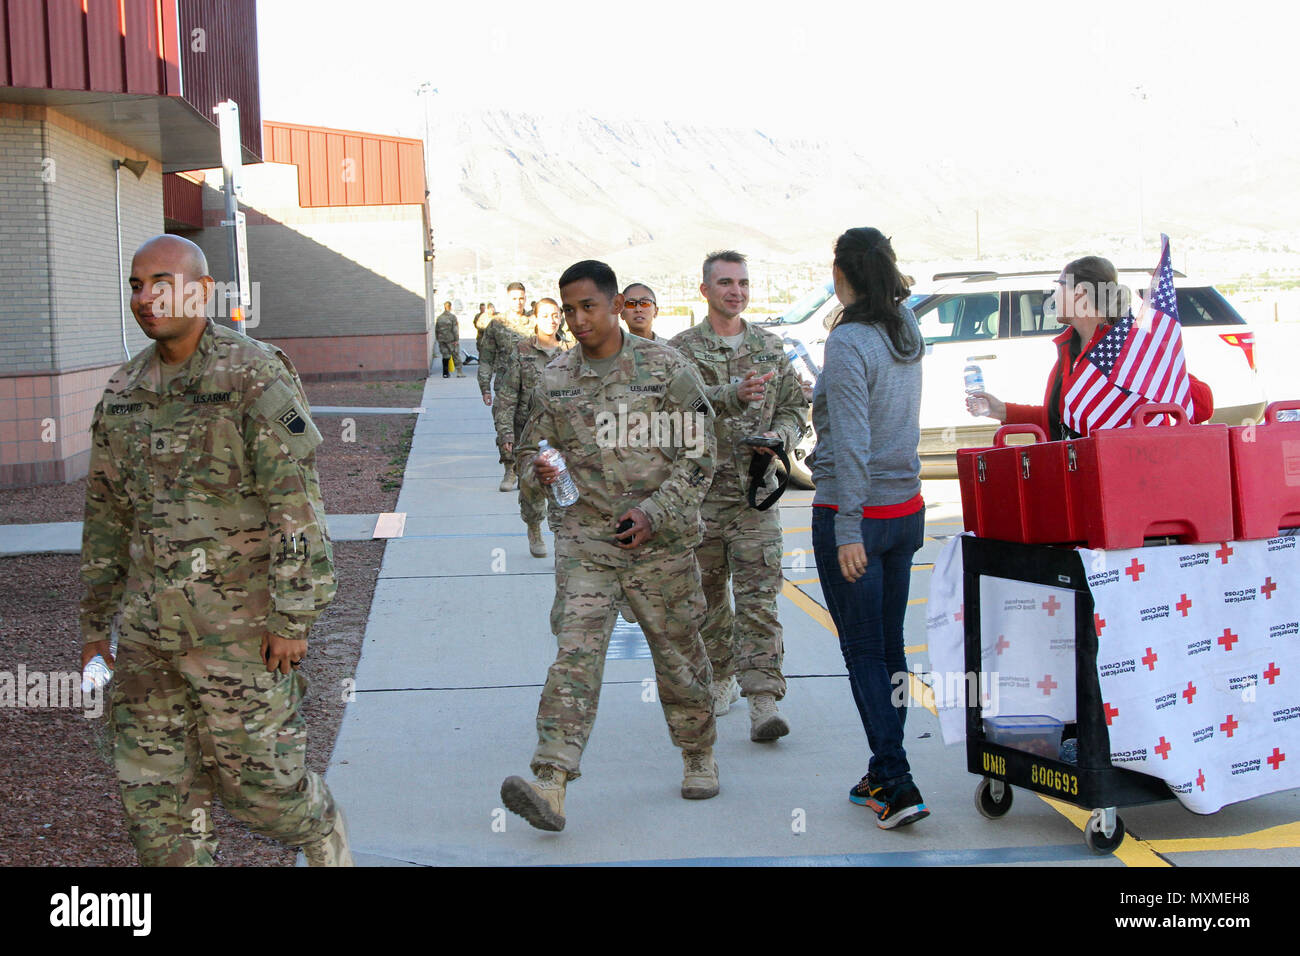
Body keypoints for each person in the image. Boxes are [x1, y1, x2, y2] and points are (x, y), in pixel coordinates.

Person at [79, 234, 352, 865]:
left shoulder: (253, 375)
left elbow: (297, 506)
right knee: (156, 804)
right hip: (151, 635)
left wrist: (293, 618)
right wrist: (96, 624)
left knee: (261, 792)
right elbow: (106, 519)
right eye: (136, 284)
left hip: (242, 632)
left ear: (201, 293)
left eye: (161, 284)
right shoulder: (123, 392)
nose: (145, 298)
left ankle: (320, 830)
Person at [500, 260, 719, 831]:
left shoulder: (666, 368)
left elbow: (701, 456)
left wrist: (654, 512)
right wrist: (540, 472)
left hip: (660, 543)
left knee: (677, 655)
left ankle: (697, 751)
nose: (576, 320)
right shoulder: (555, 378)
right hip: (587, 542)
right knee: (575, 654)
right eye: (568, 310)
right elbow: (527, 454)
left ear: (617, 304)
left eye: (587, 307)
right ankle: (551, 779)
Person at [807, 226, 930, 829]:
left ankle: (899, 781)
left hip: (854, 515)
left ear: (842, 274)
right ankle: (884, 772)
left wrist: (848, 527)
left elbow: (854, 441)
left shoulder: (850, 339)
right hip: (905, 511)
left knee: (863, 654)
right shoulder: (906, 329)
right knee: (889, 647)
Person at [669, 251, 808, 736]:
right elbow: (670, 419)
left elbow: (795, 408)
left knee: (759, 601)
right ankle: (721, 677)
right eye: (726, 282)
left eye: (744, 283)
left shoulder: (771, 348)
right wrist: (731, 395)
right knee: (705, 603)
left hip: (754, 499)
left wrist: (781, 439)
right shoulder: (679, 351)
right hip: (699, 502)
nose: (737, 291)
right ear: (704, 290)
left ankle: (764, 701)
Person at [968, 256, 1213, 435]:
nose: (1054, 295)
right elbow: (1067, 422)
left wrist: (1161, 370)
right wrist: (1001, 410)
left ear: (1080, 293)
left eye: (1060, 285)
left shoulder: (1127, 348)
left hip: (1128, 481)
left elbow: (1202, 404)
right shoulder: (1069, 348)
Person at [493, 297, 574, 557]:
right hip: (527, 435)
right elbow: (506, 396)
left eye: (555, 315)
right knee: (532, 489)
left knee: (561, 486)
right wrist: (505, 433)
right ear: (535, 318)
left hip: (563, 434)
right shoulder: (522, 351)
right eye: (545, 315)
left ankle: (562, 540)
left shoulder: (572, 351)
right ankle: (534, 527)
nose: (551, 320)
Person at [479, 282, 538, 491]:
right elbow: (486, 357)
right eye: (514, 298)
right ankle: (509, 469)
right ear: (507, 299)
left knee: (529, 429)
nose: (518, 302)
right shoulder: (497, 324)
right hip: (504, 385)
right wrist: (484, 386)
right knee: (505, 426)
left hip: (531, 386)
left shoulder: (534, 323)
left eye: (521, 297)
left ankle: (525, 471)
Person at [435, 300, 466, 378]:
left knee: (445, 355)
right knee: (455, 355)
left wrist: (438, 339)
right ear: (450, 307)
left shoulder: (439, 317)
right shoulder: (452, 317)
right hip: (451, 340)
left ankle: (445, 373)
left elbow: (436, 329)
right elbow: (455, 329)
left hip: (442, 340)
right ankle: (459, 372)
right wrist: (456, 339)